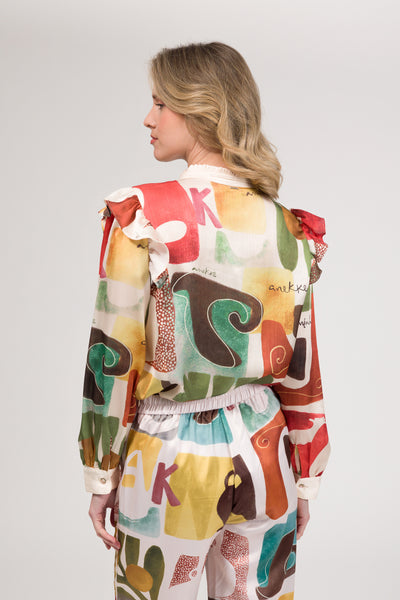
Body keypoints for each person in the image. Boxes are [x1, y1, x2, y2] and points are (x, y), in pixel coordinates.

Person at [79, 42, 330, 600]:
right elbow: (302, 366)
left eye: (160, 102)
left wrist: (102, 472)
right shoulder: (289, 227)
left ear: (200, 108)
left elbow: (112, 353)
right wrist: (305, 477)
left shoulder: (142, 217)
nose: (148, 119)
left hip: (170, 458)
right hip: (266, 451)